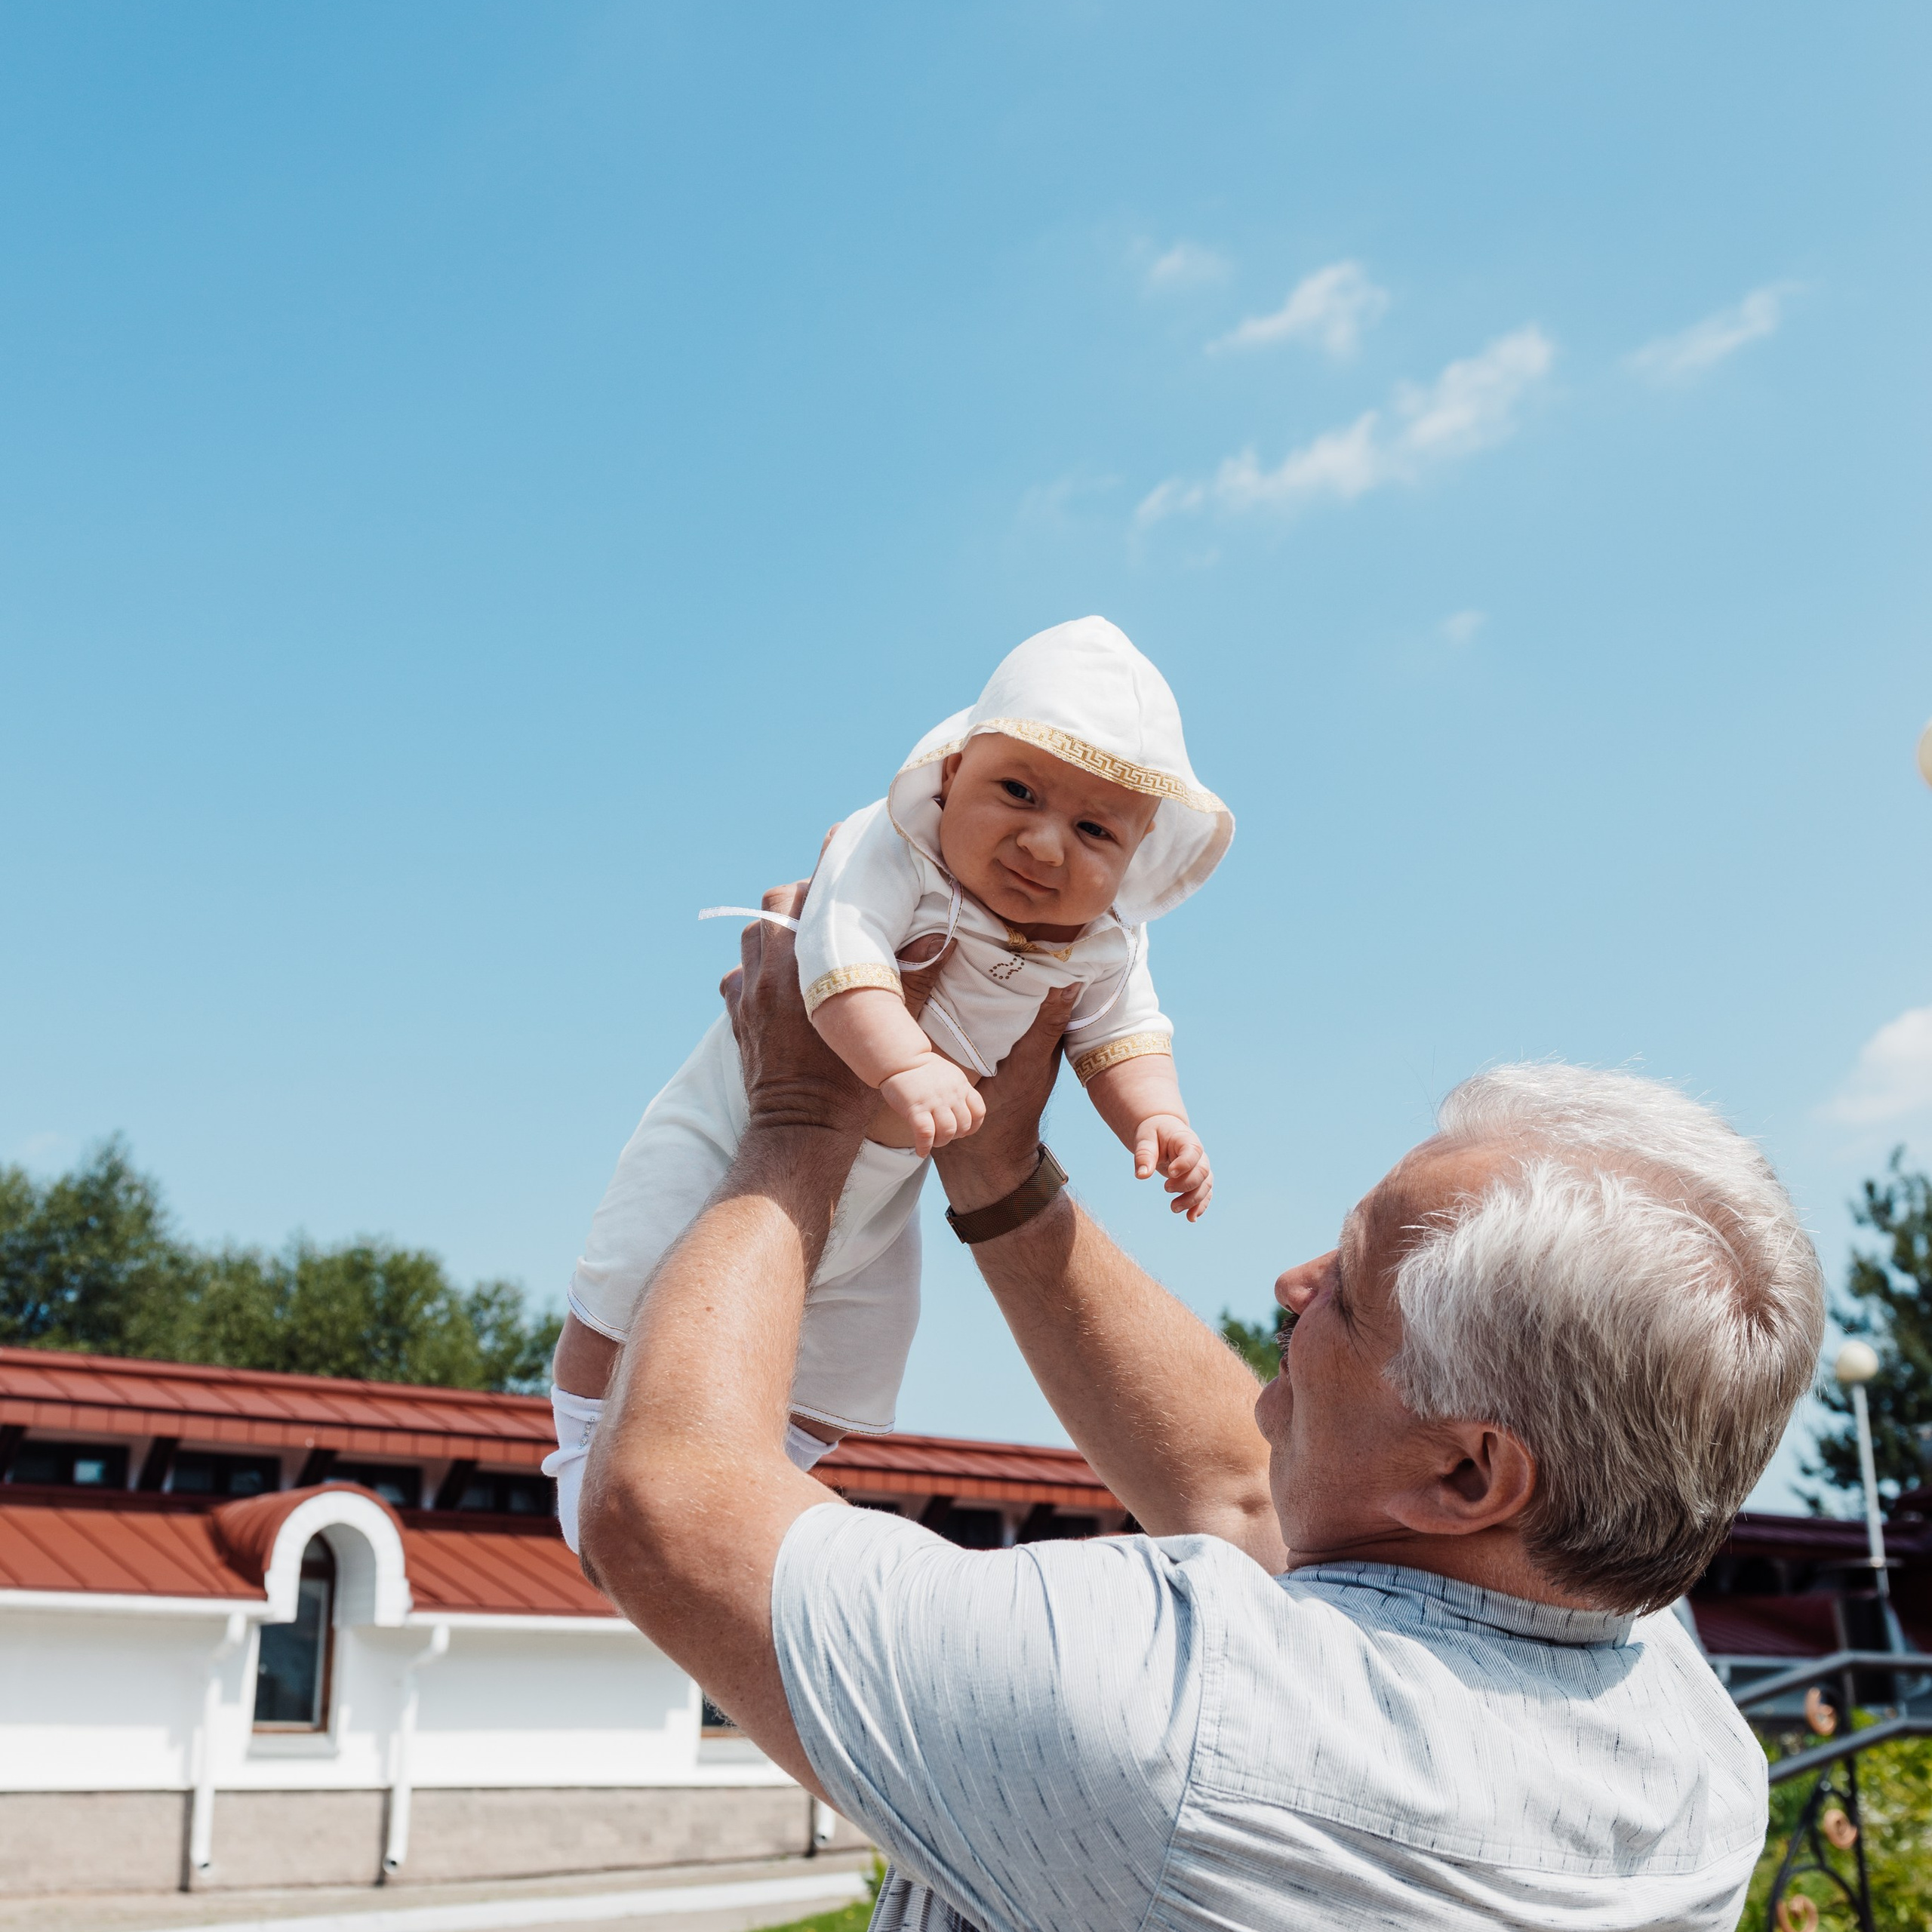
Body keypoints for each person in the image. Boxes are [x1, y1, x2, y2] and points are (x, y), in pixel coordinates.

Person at [577, 884, 1826, 1932]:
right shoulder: (1680, 1726)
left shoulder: (1172, 1721)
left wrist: (802, 1114)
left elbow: (669, 1506)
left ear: (1465, 1477)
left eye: (1348, 1288)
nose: (1294, 1286)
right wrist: (999, 1174)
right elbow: (1247, 1492)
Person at [546, 616, 1230, 1549]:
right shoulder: (901, 849)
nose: (1042, 844)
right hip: (738, 1124)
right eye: (1017, 792)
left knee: (868, 1334)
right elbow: (839, 950)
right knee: (639, 1260)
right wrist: (904, 1063)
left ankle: (765, 1465)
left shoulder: (1105, 939)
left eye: (1093, 829)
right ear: (951, 774)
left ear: (1139, 851)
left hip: (886, 1182)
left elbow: (1122, 1034)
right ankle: (582, 1437)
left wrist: (1161, 1118)